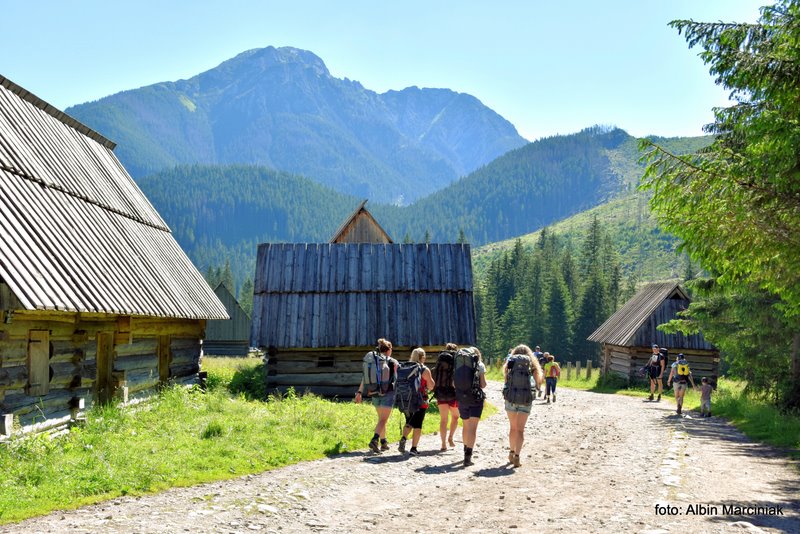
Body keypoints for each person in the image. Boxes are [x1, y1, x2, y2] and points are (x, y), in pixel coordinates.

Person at [355, 338, 399, 453]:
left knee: (381, 419)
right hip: (387, 394)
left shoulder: (373, 361)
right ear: (389, 349)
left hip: (374, 393)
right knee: (383, 420)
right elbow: (397, 377)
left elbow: (364, 378)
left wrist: (359, 392)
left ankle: (383, 442)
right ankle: (375, 440)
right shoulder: (392, 361)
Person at [502, 344, 542, 467]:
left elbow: (506, 382)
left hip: (511, 399)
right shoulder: (532, 365)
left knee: (512, 428)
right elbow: (538, 385)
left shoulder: (510, 363)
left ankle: (511, 452)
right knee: (520, 430)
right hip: (525, 400)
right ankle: (517, 457)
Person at [398, 348, 435, 456]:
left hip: (405, 399)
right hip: (420, 401)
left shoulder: (405, 367)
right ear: (421, 357)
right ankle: (413, 448)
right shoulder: (424, 369)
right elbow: (430, 386)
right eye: (424, 356)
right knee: (418, 424)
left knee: (409, 421)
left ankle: (404, 438)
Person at [454, 346, 487, 467]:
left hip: (462, 398)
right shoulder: (480, 365)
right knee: (473, 429)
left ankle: (464, 450)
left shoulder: (458, 364)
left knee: (465, 426)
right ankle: (468, 457)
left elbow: (454, 383)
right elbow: (483, 385)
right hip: (475, 399)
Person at [433, 342, 460, 450]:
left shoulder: (440, 360)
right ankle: (450, 438)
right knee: (455, 416)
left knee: (443, 420)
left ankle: (443, 444)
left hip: (440, 392)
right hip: (453, 393)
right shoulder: (456, 360)